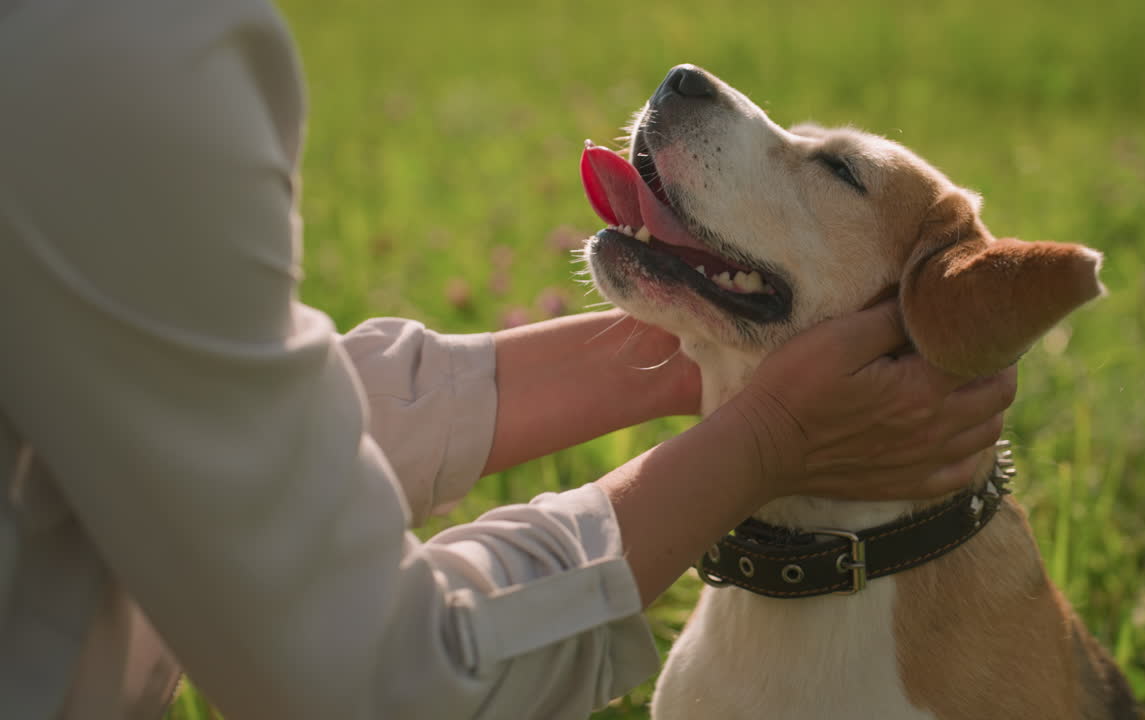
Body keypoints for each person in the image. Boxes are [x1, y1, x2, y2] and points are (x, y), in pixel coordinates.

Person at [0, 2, 1016, 719]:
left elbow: (188, 409)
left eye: (829, 166)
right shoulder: (111, 54)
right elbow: (374, 685)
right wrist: (764, 440)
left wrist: (701, 356)